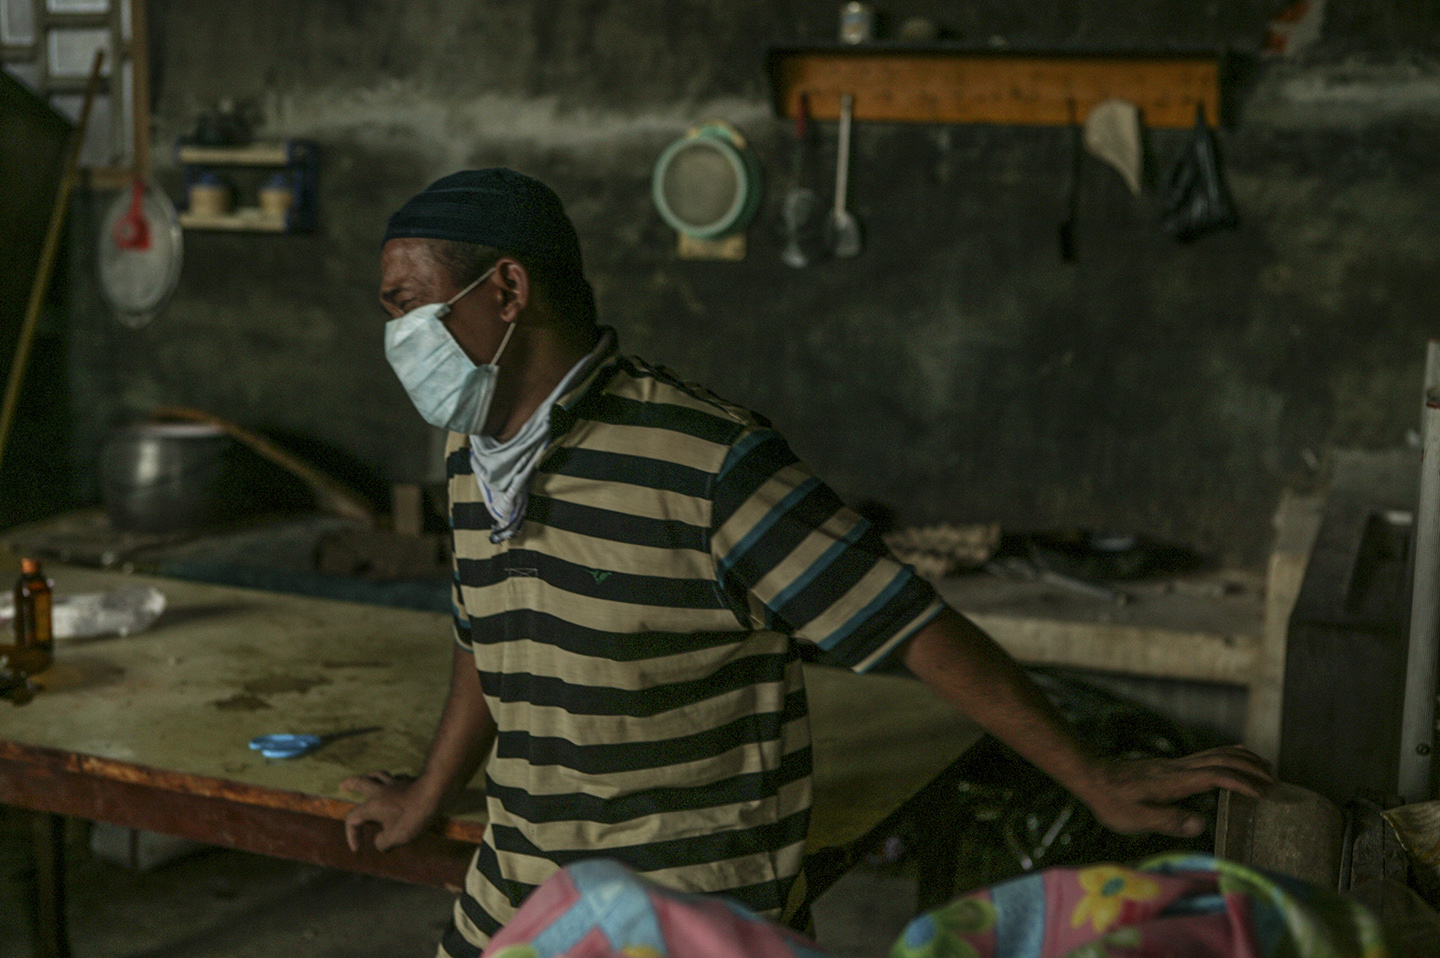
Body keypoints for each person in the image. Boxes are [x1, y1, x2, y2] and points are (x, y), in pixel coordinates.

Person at [343, 168, 1273, 958]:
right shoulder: (474, 458)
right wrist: (431, 792)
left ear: (507, 291)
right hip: (511, 906)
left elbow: (909, 626)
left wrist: (1096, 777)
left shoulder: (703, 459)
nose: (393, 334)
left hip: (685, 926)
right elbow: (487, 634)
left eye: (405, 301)